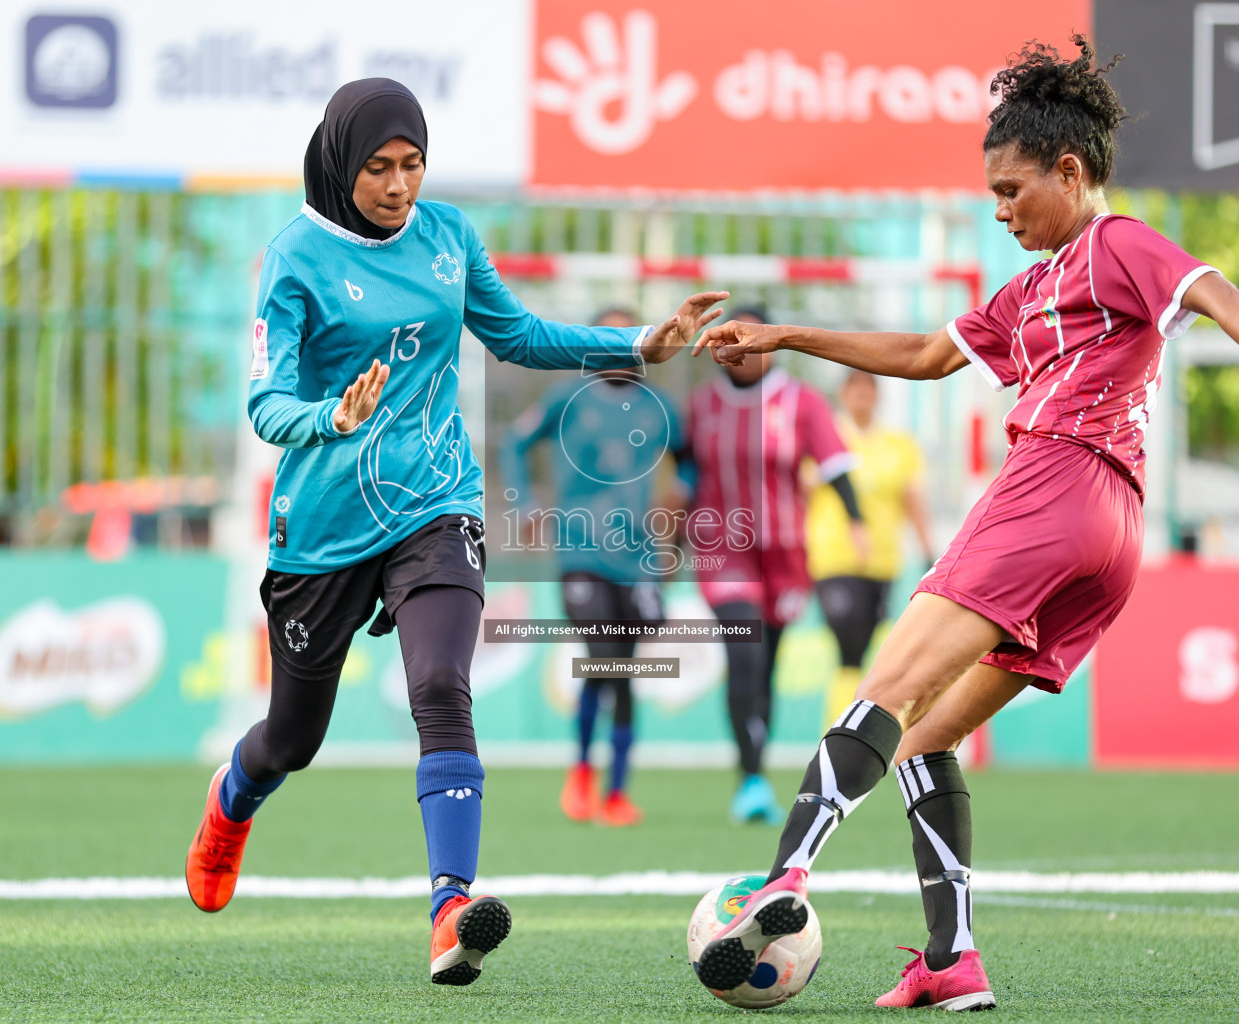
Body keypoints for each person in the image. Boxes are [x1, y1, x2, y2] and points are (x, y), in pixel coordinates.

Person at [690, 37, 1239, 1010]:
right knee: (929, 735)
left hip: (1055, 483)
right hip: (1111, 535)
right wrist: (786, 335)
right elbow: (931, 354)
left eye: (1013, 191)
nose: (1001, 209)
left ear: (1070, 171)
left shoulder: (1116, 244)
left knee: (890, 682)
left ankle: (781, 878)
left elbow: (1215, 290)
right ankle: (951, 958)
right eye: (992, 195)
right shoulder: (1031, 291)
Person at [181, 78, 727, 987]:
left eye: (413, 164)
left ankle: (449, 906)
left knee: (441, 683)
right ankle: (232, 802)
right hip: (321, 527)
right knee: (292, 738)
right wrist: (330, 417)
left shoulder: (447, 239)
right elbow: (265, 404)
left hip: (438, 502)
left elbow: (514, 334)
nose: (399, 186)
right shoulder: (294, 259)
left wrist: (637, 344)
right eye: (379, 168)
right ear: (339, 165)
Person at [500, 306, 688, 827]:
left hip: (639, 558)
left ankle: (617, 792)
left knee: (622, 672)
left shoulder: (661, 408)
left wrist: (681, 501)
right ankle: (583, 771)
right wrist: (524, 505)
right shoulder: (566, 399)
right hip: (579, 553)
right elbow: (514, 444)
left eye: (629, 336)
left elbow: (689, 458)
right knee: (603, 657)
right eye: (609, 336)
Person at [684, 305, 866, 825]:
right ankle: (750, 777)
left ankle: (755, 767)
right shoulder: (701, 406)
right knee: (744, 655)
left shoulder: (802, 402)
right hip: (725, 549)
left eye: (746, 339)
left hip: (785, 556)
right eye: (725, 340)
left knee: (766, 665)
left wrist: (857, 521)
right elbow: (683, 476)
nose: (735, 350)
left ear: (768, 345)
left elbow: (835, 465)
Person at [805, 370, 934, 723]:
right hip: (834, 558)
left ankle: (859, 729)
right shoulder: (824, 437)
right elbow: (801, 495)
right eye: (854, 388)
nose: (861, 395)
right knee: (848, 643)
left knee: (869, 650)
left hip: (882, 562)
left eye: (868, 388)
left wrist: (929, 552)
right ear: (842, 394)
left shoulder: (899, 445)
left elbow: (913, 502)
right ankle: (836, 733)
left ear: (878, 395)